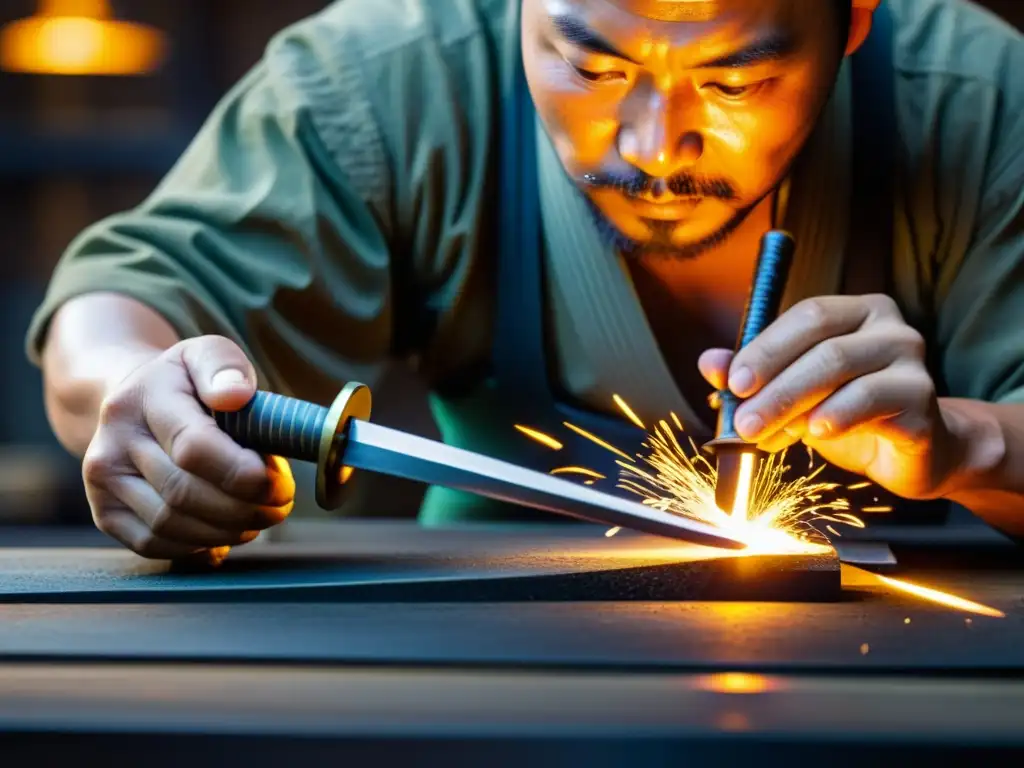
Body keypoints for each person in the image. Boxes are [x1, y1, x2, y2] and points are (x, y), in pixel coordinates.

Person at [27, 0, 1024, 560]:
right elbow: (126, 298)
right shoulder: (391, 81)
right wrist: (132, 391)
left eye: (732, 80)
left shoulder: (974, 102)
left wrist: (963, 443)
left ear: (851, 20)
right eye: (590, 67)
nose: (653, 148)